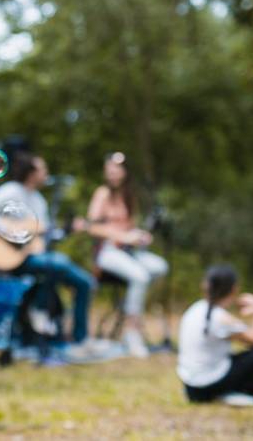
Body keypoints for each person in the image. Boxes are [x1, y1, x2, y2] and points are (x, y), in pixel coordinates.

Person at [0, 151, 98, 355]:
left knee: (85, 282)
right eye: (43, 169)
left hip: (34, 256)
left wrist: (67, 230)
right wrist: (10, 230)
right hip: (10, 257)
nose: (47, 173)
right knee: (59, 262)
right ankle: (38, 313)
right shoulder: (11, 190)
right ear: (31, 173)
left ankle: (80, 339)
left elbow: (43, 236)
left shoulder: (39, 200)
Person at [85, 152, 169, 358]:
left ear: (125, 172)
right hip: (107, 252)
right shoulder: (102, 193)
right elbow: (92, 228)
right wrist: (122, 235)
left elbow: (130, 227)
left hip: (128, 252)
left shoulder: (128, 196)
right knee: (140, 276)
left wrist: (139, 236)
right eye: (110, 169)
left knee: (160, 266)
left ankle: (128, 307)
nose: (113, 173)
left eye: (117, 168)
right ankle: (133, 331)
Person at [177, 265, 253, 407]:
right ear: (234, 288)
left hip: (191, 384)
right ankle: (221, 394)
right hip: (207, 384)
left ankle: (226, 393)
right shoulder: (220, 317)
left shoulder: (195, 308)